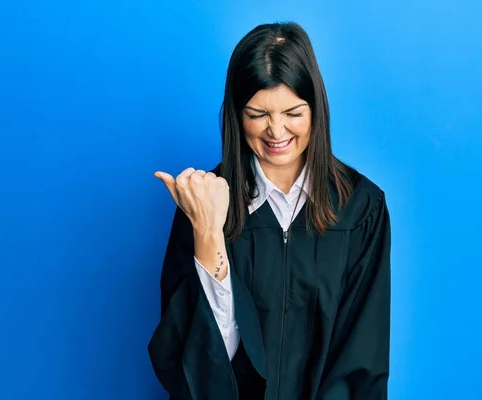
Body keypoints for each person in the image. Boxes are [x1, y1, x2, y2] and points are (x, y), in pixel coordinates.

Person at [148, 21, 391, 400]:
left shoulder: (361, 208)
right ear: (236, 113)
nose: (276, 131)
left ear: (316, 110)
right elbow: (188, 355)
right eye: (258, 114)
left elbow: (362, 356)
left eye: (293, 113)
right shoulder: (203, 205)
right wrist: (209, 232)